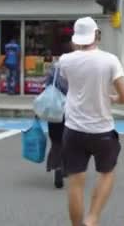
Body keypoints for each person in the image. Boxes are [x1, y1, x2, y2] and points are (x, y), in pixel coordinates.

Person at [58, 17, 124, 226]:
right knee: (106, 173)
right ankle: (92, 218)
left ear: (76, 38)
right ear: (96, 35)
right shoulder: (110, 60)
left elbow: (67, 83)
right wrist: (113, 98)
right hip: (102, 130)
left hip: (73, 129)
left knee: (75, 182)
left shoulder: (65, 60)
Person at [44, 39, 73, 189]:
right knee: (68, 140)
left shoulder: (55, 68)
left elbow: (46, 84)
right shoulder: (76, 68)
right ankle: (65, 168)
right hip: (71, 110)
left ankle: (57, 167)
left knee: (56, 140)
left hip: (55, 108)